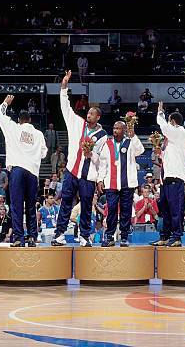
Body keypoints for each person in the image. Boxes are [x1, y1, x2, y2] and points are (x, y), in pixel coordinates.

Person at [53, 70, 107, 247]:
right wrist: (64, 87)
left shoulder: (103, 135)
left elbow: (103, 160)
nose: (88, 114)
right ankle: (59, 234)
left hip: (89, 175)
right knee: (66, 203)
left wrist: (98, 173)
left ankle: (85, 236)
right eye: (88, 112)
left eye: (92, 113)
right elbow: (65, 107)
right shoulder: (77, 123)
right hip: (71, 171)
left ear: (98, 117)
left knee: (86, 206)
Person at [0, 95, 47, 247]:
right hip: (32, 173)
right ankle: (32, 237)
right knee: (30, 206)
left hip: (17, 170)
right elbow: (44, 153)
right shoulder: (39, 134)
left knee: (16, 206)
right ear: (30, 120)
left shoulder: (14, 128)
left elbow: (1, 116)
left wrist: (5, 103)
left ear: (19, 121)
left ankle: (18, 238)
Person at [97, 121, 144, 247]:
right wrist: (100, 179)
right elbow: (102, 164)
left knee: (126, 210)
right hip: (111, 183)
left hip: (127, 183)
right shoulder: (107, 144)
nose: (115, 130)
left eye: (118, 128)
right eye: (114, 128)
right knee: (111, 209)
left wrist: (133, 135)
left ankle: (124, 237)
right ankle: (110, 236)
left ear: (124, 130)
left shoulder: (130, 142)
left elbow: (140, 150)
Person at [150, 101, 185, 247]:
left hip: (175, 179)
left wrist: (160, 113)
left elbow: (164, 127)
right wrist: (161, 153)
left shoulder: (180, 131)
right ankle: (165, 236)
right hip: (166, 180)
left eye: (168, 120)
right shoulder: (172, 141)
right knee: (165, 210)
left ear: (173, 121)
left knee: (175, 210)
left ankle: (177, 237)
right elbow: (168, 157)